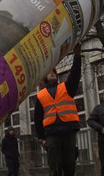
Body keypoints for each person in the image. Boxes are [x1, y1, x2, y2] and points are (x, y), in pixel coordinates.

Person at [34, 42, 82, 176]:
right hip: (52, 134)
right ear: (44, 79)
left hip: (68, 131)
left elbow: (75, 75)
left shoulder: (66, 87)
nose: (53, 73)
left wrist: (77, 57)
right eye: (50, 72)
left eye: (54, 72)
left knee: (70, 165)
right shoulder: (41, 95)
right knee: (54, 165)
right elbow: (37, 119)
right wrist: (41, 138)